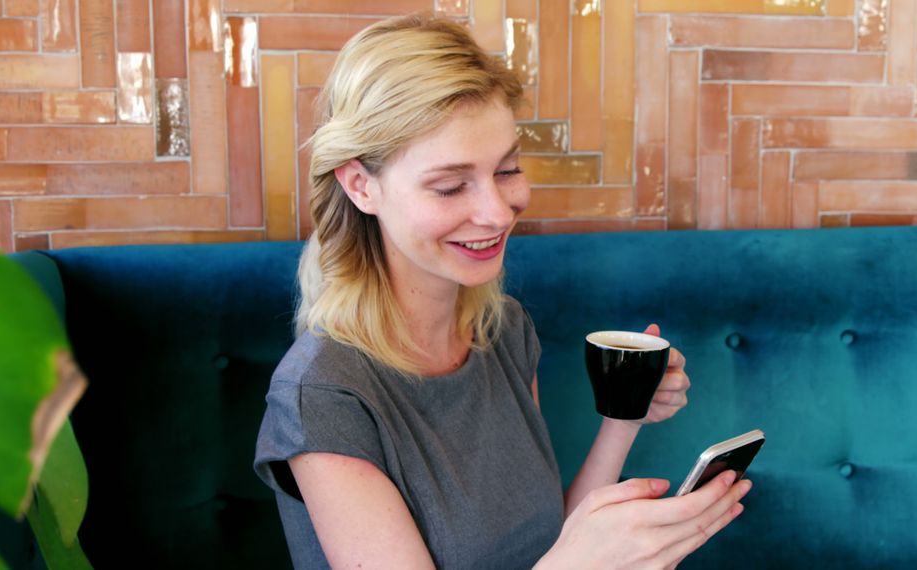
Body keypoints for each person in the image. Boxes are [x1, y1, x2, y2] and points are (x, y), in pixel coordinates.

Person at [253, 13, 752, 569]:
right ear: (361, 186)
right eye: (450, 186)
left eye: (508, 169)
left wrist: (626, 416)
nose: (496, 212)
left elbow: (545, 547)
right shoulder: (323, 395)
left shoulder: (503, 329)